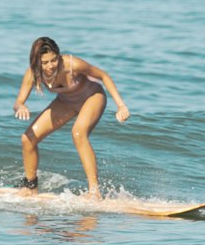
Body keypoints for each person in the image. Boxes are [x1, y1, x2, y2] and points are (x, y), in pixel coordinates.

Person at [13, 36, 129, 196]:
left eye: (53, 60)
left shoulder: (72, 64)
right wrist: (21, 106)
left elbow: (103, 76)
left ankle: (94, 191)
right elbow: (18, 101)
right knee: (28, 139)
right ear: (36, 62)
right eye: (44, 63)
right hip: (66, 102)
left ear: (58, 56)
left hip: (92, 97)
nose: (50, 66)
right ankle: (30, 186)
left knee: (78, 133)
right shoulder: (33, 74)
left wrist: (121, 105)